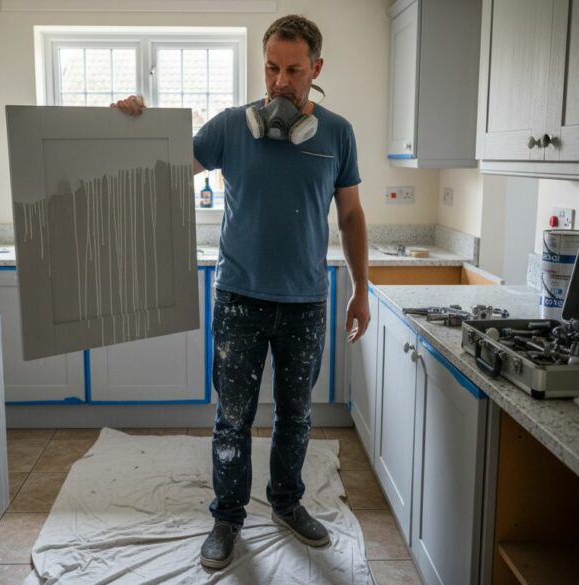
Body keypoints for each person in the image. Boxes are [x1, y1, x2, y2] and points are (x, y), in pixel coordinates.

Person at [114, 14, 369, 570]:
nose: (280, 82)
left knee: (296, 415)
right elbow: (164, 162)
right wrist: (134, 122)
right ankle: (227, 518)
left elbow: (350, 216)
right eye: (272, 68)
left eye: (294, 70)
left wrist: (360, 287)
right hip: (239, 300)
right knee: (232, 417)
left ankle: (286, 504)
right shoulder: (231, 127)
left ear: (316, 69)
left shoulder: (338, 134)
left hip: (306, 301)